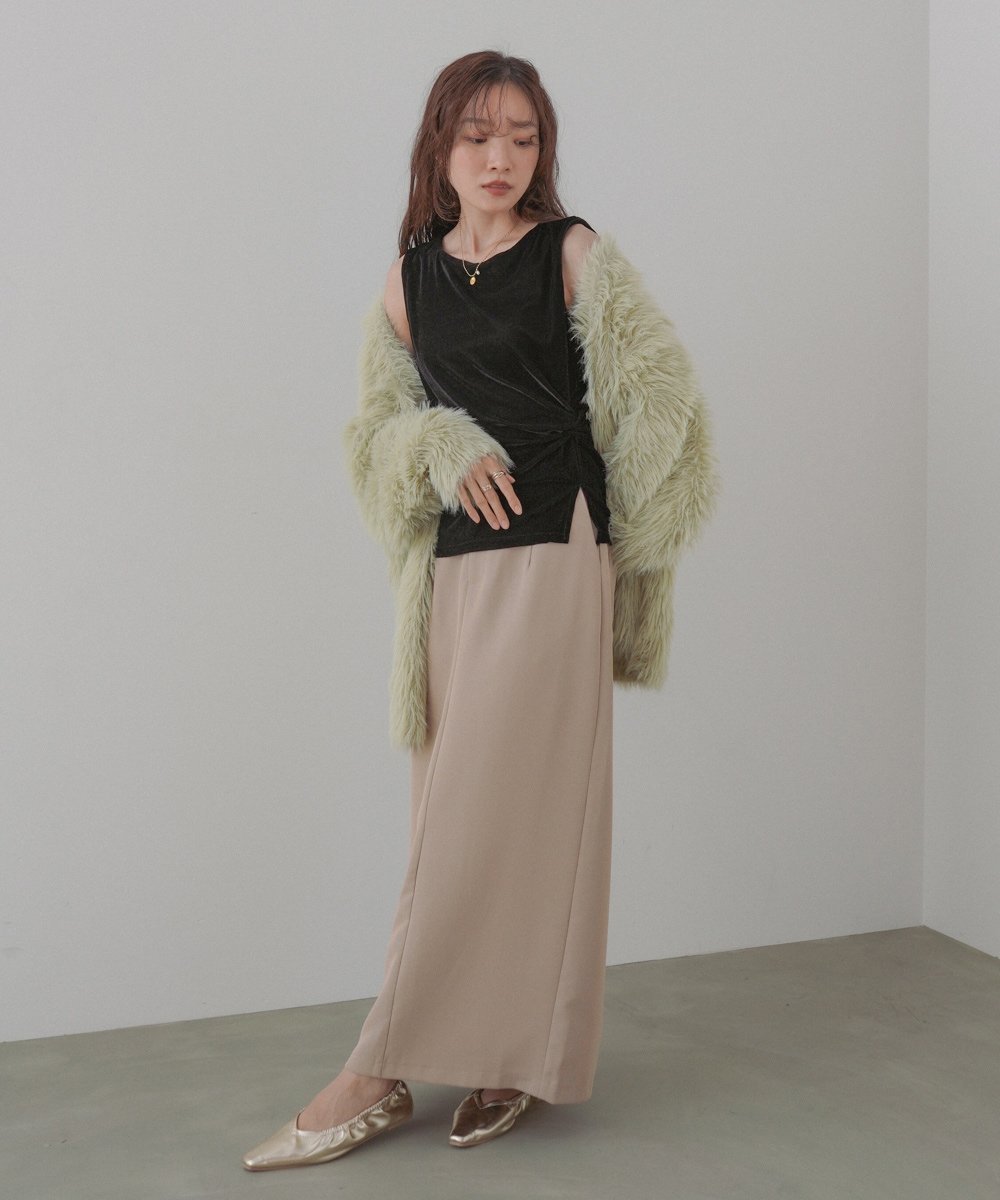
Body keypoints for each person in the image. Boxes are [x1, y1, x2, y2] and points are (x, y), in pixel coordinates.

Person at [242, 49, 720, 1172]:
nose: (500, 157)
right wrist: (437, 443)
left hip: (554, 555)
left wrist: (620, 555)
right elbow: (374, 441)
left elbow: (663, 406)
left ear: (542, 148)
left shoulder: (571, 254)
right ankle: (509, 1052)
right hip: (453, 577)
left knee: (514, 816)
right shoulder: (407, 282)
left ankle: (377, 1071)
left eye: (522, 136)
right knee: (454, 818)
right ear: (440, 148)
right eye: (477, 136)